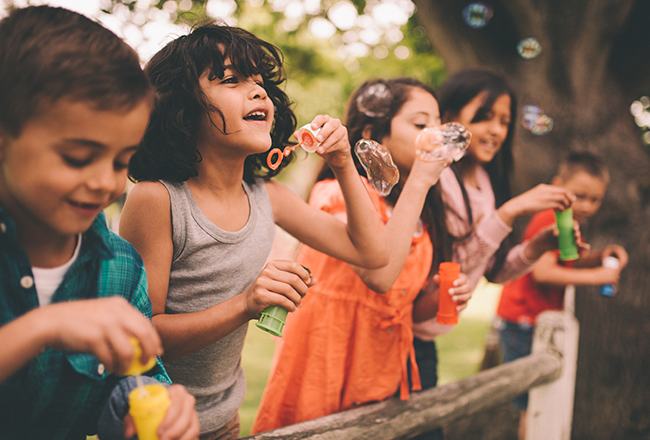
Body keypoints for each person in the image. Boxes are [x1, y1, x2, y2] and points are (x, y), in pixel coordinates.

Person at [118, 22, 388, 439]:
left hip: (225, 420)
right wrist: (246, 303)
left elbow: (371, 253)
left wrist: (341, 162)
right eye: (230, 80)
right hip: (155, 423)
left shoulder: (267, 195)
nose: (259, 91)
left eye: (260, 83)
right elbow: (143, 337)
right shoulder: (158, 200)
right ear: (181, 107)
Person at [0, 6, 199, 440]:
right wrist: (42, 327)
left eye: (121, 161)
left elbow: (135, 375)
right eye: (77, 158)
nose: (104, 182)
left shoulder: (122, 266)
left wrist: (155, 402)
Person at [251, 77, 474, 433]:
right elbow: (379, 277)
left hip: (383, 372)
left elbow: (402, 305)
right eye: (420, 124)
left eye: (438, 123)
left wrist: (440, 298)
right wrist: (419, 181)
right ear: (374, 133)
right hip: (328, 363)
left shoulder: (413, 213)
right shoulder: (336, 195)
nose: (435, 134)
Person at [410, 69, 578, 440]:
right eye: (484, 116)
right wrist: (508, 213)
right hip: (404, 335)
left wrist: (537, 247)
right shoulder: (439, 180)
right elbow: (449, 265)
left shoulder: (487, 182)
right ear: (449, 116)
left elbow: (492, 271)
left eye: (504, 121)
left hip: (426, 340)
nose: (497, 130)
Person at [496, 151, 627, 440]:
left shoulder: (567, 218)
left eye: (595, 199)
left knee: (542, 399)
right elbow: (543, 272)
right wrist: (596, 277)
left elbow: (565, 262)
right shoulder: (549, 216)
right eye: (580, 195)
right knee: (533, 404)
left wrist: (599, 259)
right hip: (523, 320)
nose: (587, 205)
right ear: (557, 186)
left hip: (536, 321)